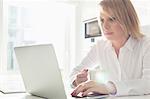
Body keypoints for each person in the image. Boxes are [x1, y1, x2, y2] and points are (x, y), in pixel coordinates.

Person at [70, 0, 150, 97]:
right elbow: (75, 72)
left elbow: (147, 83)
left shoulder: (146, 44)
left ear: (127, 19)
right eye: (102, 20)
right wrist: (76, 81)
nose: (105, 26)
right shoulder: (100, 47)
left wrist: (108, 87)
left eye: (112, 19)